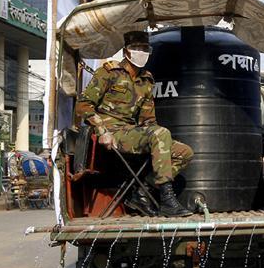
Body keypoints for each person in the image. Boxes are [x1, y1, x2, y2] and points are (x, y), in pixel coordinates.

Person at [74, 31, 193, 217]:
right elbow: (83, 106)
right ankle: (167, 200)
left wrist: (157, 137)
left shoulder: (146, 79)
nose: (141, 52)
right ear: (126, 51)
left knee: (184, 152)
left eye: (145, 48)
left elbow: (148, 120)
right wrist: (101, 129)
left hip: (132, 133)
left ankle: (142, 191)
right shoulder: (109, 72)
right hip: (112, 133)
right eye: (136, 48)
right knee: (160, 134)